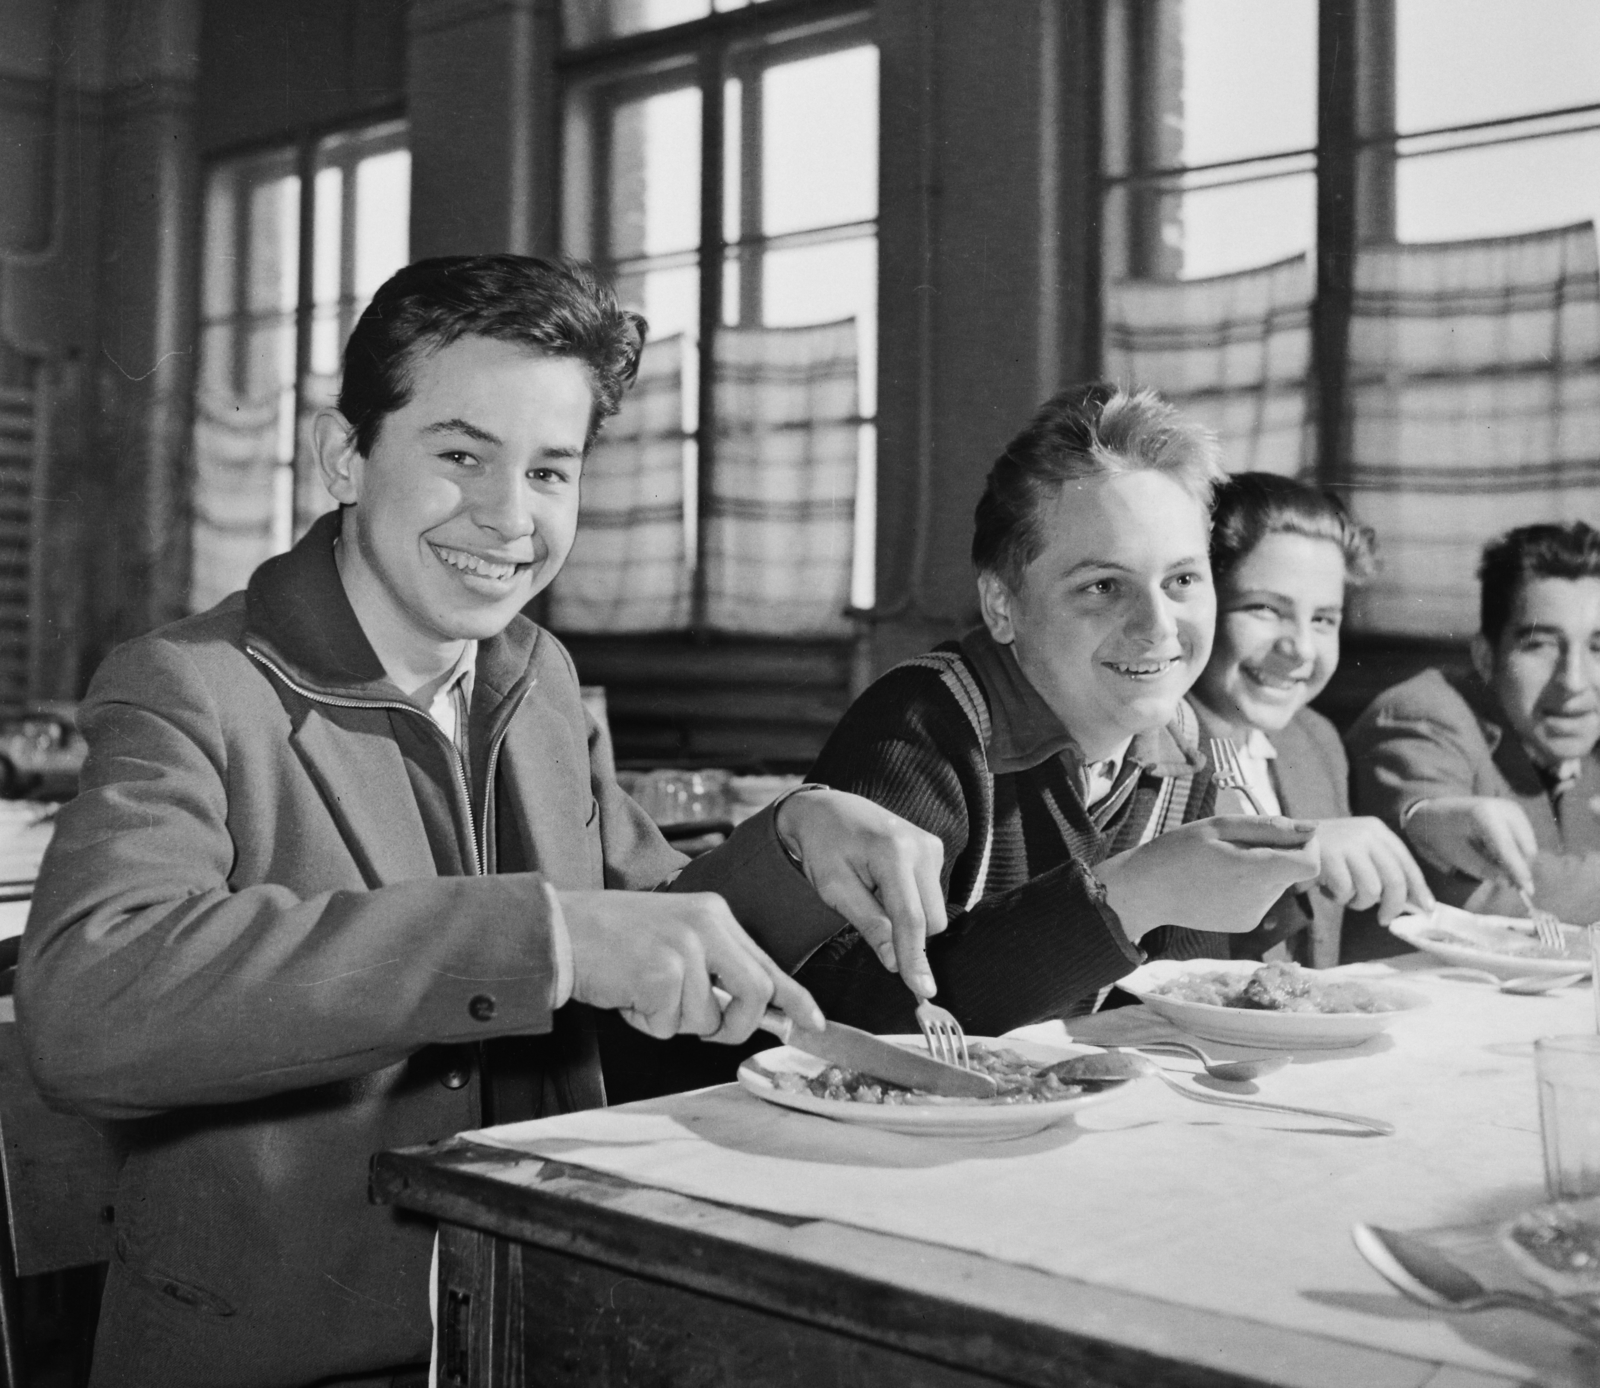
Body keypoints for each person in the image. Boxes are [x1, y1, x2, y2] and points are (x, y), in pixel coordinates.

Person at [17, 255, 950, 1388]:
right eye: (461, 454)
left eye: (550, 469)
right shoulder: (191, 685)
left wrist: (798, 841)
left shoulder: (539, 677)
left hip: (533, 1322)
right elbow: (89, 1004)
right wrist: (542, 940)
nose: (509, 516)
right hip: (283, 1360)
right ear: (343, 456)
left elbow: (642, 940)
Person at [797, 383, 1322, 1036]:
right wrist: (1129, 895)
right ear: (1002, 607)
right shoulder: (924, 726)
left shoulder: (1188, 748)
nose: (1158, 627)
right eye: (1104, 587)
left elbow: (1181, 1006)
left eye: (1182, 580)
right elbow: (839, 1011)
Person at [1187, 473, 1432, 966]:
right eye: (1264, 608)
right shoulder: (1149, 740)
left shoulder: (1314, 741)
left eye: (1323, 620)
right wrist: (1295, 851)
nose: (1299, 648)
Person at [1348, 521, 1600, 923]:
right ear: (1486, 658)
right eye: (1539, 645)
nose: (1573, 681)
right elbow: (1474, 900)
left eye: (1598, 647)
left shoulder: (1583, 752)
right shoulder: (1425, 713)